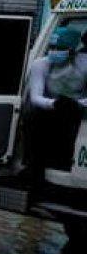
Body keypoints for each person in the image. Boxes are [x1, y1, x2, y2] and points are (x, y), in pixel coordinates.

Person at [25, 26, 87, 176]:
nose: (54, 51)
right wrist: (54, 104)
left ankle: (64, 164)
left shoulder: (84, 64)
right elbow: (35, 97)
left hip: (77, 110)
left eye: (60, 48)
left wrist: (77, 104)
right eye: (52, 47)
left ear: (73, 48)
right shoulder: (41, 64)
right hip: (51, 108)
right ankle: (35, 168)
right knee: (36, 117)